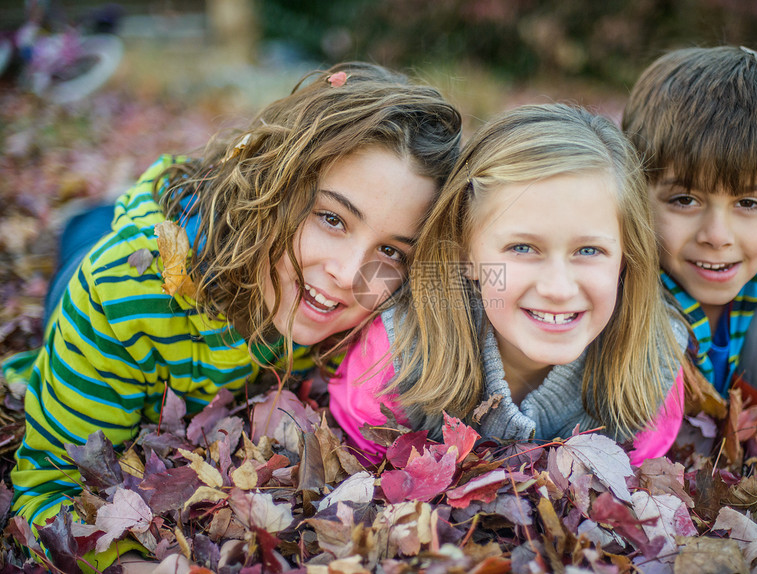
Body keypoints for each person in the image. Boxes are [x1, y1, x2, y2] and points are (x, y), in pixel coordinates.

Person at [2, 61, 461, 556]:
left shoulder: (385, 307)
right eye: (331, 218)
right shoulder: (124, 293)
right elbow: (48, 493)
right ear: (273, 185)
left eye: (392, 251)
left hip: (223, 222)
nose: (351, 275)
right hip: (102, 261)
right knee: (88, 230)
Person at [329, 104, 687, 465]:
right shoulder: (397, 356)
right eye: (522, 248)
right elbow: (375, 466)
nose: (558, 288)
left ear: (625, 256)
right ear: (465, 253)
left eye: (589, 250)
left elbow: (632, 479)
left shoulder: (653, 367)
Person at [621, 46, 757, 472]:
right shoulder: (614, 288)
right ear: (635, 190)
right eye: (684, 199)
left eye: (748, 203)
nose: (716, 236)